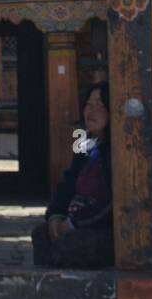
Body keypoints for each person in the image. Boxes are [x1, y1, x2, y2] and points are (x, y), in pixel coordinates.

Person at [31, 82, 114, 269]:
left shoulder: (117, 151)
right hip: (75, 221)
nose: (91, 111)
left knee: (70, 246)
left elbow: (112, 203)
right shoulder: (86, 144)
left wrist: (74, 224)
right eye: (88, 104)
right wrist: (55, 216)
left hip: (103, 228)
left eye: (99, 105)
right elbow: (67, 184)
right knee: (42, 234)